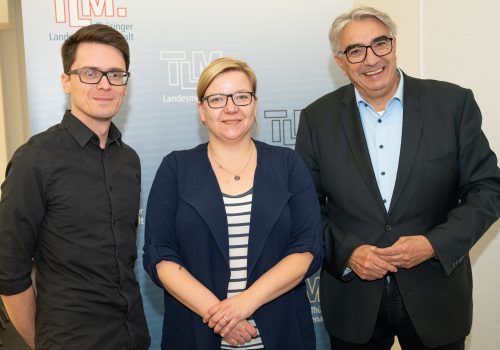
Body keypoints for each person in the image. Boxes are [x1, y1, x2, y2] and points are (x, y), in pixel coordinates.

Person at [295, 6, 500, 350]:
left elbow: (488, 189)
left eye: (380, 44)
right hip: (353, 302)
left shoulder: (452, 104)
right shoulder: (317, 119)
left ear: (394, 44)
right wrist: (347, 254)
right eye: (355, 50)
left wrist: (434, 244)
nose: (371, 59)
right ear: (340, 62)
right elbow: (305, 208)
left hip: (436, 295)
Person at [143, 57, 323, 350]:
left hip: (282, 334)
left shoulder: (287, 164)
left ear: (254, 104)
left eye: (241, 96)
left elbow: (308, 247)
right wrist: (220, 316)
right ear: (201, 110)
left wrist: (243, 305)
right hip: (196, 333)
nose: (231, 108)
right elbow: (160, 254)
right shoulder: (176, 168)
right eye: (217, 99)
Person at [0, 24, 150, 349]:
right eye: (90, 73)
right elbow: (9, 273)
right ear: (66, 81)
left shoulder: (129, 161)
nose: (105, 85)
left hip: (133, 337)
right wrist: (44, 342)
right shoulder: (34, 160)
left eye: (115, 74)